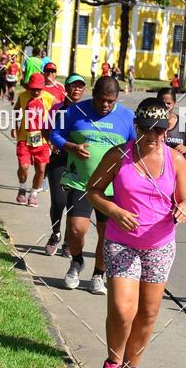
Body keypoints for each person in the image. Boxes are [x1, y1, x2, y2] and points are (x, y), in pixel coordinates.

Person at [87, 99, 186, 368]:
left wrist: (184, 208)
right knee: (123, 309)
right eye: (146, 129)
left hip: (160, 246)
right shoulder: (118, 154)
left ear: (166, 128)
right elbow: (92, 190)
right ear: (136, 127)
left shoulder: (177, 160)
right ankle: (112, 362)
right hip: (122, 243)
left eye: (158, 131)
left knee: (148, 312)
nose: (152, 137)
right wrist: (114, 211)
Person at [49, 76, 136, 295]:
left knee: (106, 235)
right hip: (81, 182)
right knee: (76, 229)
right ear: (93, 94)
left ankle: (99, 274)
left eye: (111, 101)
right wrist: (71, 147)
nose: (105, 105)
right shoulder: (75, 111)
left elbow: (137, 148)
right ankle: (77, 262)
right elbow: (55, 134)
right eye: (101, 100)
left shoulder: (127, 116)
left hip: (113, 187)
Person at [44, 73, 86, 257]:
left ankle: (69, 241)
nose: (76, 89)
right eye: (73, 86)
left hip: (78, 162)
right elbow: (46, 129)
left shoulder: (87, 112)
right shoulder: (56, 109)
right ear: (66, 89)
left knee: (73, 204)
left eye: (80, 86)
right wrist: (52, 144)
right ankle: (55, 233)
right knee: (58, 201)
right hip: (59, 159)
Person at [12, 73, 55, 206]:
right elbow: (16, 110)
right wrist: (15, 126)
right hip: (24, 137)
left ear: (43, 87)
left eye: (38, 89)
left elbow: (57, 117)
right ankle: (22, 188)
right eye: (33, 89)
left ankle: (34, 194)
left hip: (42, 140)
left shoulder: (50, 99)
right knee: (24, 166)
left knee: (41, 170)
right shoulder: (23, 96)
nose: (35, 92)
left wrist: (53, 137)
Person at [157, 87, 186, 157]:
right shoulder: (151, 122)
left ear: (174, 103)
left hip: (177, 166)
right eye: (162, 103)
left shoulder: (183, 124)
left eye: (168, 103)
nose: (165, 106)